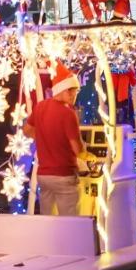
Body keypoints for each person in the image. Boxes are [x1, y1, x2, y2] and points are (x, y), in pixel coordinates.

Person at [23, 61, 94, 215]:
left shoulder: (40, 107)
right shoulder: (68, 114)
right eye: (72, 92)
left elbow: (27, 130)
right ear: (64, 90)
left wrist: (44, 137)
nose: (74, 96)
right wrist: (90, 156)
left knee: (48, 220)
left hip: (44, 176)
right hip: (64, 175)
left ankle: (49, 240)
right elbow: (77, 150)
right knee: (70, 223)